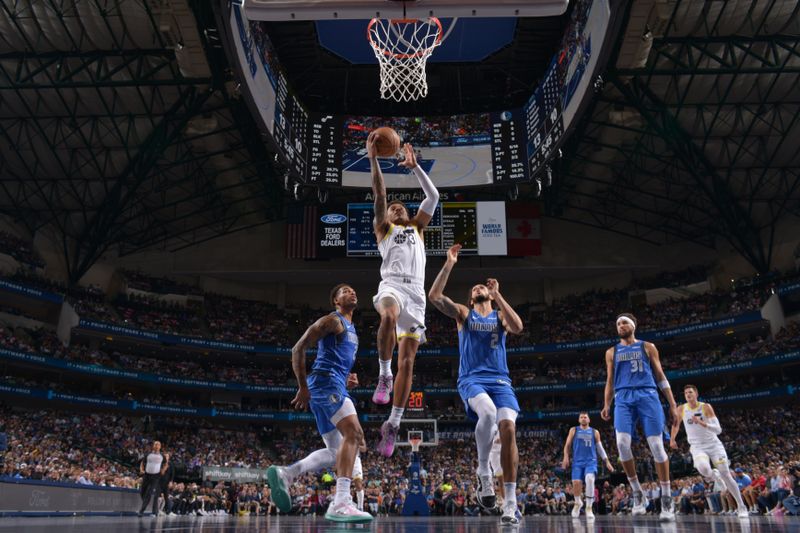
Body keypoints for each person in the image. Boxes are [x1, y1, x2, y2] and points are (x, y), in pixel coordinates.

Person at [428, 243, 524, 525]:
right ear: (470, 300)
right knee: (490, 414)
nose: (477, 289)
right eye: (474, 290)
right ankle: (483, 471)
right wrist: (449, 263)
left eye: (481, 288)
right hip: (472, 379)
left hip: (501, 381)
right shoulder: (464, 314)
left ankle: (510, 502)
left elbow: (518, 327)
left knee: (508, 429)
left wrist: (498, 295)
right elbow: (434, 296)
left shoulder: (499, 316)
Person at [265, 284, 372, 523]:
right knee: (354, 435)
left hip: (333, 385)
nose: (352, 292)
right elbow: (298, 348)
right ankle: (341, 501)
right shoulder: (332, 321)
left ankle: (288, 473)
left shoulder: (352, 329)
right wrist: (303, 386)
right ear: (335, 300)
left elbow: (332, 360)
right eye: (345, 291)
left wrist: (346, 380)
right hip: (324, 385)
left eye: (354, 289)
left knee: (337, 452)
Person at [367, 132, 440, 457]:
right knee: (388, 315)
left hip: (417, 295)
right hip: (392, 285)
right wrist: (373, 160)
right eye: (392, 208)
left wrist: (415, 168)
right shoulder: (385, 229)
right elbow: (380, 193)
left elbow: (433, 196)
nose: (396, 209)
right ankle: (383, 374)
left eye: (400, 207)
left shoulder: (417, 228)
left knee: (408, 363)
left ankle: (392, 424)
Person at [600, 313, 677, 521]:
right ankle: (637, 493)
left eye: (624, 322)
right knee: (622, 443)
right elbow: (609, 381)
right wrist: (607, 403)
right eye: (617, 323)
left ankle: (667, 497)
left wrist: (672, 404)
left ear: (634, 325)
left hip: (647, 394)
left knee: (656, 445)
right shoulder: (611, 352)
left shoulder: (647, 346)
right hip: (623, 397)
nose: (621, 325)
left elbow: (660, 375)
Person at [670, 384, 749, 518]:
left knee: (726, 475)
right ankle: (714, 475)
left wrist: (702, 423)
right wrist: (672, 439)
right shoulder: (681, 409)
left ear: (696, 394)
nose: (688, 395)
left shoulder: (705, 407)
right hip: (697, 446)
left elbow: (718, 429)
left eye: (690, 392)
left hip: (714, 445)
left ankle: (741, 506)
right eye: (685, 393)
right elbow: (676, 424)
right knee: (703, 469)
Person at [561, 412, 615, 520]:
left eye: (585, 417)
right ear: (579, 420)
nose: (583, 418)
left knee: (590, 479)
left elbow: (600, 448)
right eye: (581, 417)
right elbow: (567, 445)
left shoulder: (595, 432)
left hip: (591, 461)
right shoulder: (573, 430)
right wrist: (565, 457)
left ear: (589, 420)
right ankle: (578, 503)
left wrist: (607, 461)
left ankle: (589, 507)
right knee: (576, 483)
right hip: (577, 462)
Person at [139, 440, 166, 517]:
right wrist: (141, 469)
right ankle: (146, 502)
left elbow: (165, 464)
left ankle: (141, 511)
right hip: (146, 475)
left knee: (149, 493)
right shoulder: (148, 454)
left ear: (160, 447)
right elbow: (142, 462)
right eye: (155, 444)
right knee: (142, 491)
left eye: (158, 444)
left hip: (155, 477)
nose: (157, 446)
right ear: (153, 446)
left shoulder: (162, 456)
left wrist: (163, 470)